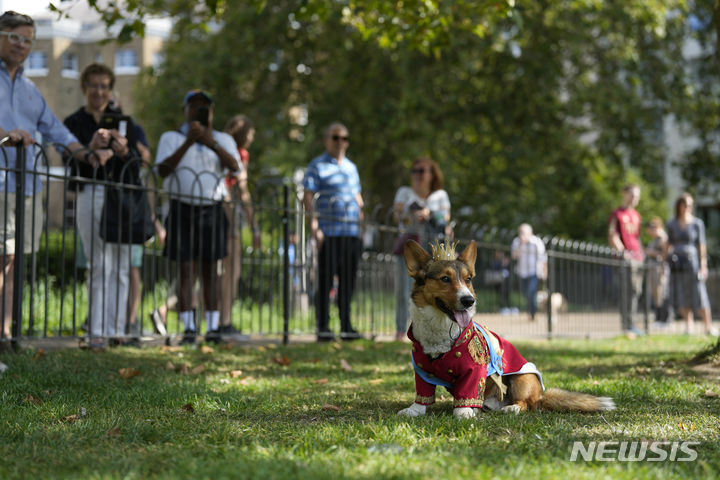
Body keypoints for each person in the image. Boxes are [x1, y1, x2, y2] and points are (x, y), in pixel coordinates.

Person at [0, 11, 112, 344]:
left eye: (28, 40)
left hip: (28, 186)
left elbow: (56, 130)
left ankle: (6, 335)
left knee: (13, 261)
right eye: (15, 37)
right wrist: (7, 134)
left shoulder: (32, 89)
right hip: (1, 183)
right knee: (3, 257)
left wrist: (87, 151)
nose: (22, 45)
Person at [63, 63, 148, 348]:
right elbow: (68, 161)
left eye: (104, 86)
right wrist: (90, 146)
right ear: (84, 87)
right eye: (93, 85)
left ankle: (116, 328)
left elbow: (137, 163)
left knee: (122, 264)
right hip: (91, 193)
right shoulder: (74, 122)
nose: (98, 91)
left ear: (110, 90)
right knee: (99, 262)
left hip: (120, 198)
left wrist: (123, 151)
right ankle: (96, 329)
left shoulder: (123, 121)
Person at [156, 89, 240, 345]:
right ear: (185, 111)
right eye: (193, 107)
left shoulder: (223, 140)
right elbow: (161, 170)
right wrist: (189, 142)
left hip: (212, 208)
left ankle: (213, 327)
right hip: (182, 207)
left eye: (204, 108)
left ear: (212, 112)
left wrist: (210, 142)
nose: (198, 111)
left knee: (211, 270)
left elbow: (235, 167)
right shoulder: (171, 137)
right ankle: (188, 328)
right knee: (185, 269)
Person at [302, 122, 364, 341]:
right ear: (326, 140)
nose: (340, 142)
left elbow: (357, 198)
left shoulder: (351, 168)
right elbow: (308, 198)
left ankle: (346, 326)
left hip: (351, 233)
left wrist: (361, 224)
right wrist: (314, 228)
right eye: (336, 137)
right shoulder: (317, 166)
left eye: (344, 138)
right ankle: (323, 327)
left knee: (348, 282)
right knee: (325, 281)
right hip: (328, 233)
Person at [392, 157, 450, 341]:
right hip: (410, 246)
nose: (417, 175)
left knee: (434, 288)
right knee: (404, 290)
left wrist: (430, 213)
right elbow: (397, 216)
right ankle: (401, 329)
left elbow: (446, 220)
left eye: (422, 171)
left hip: (433, 249)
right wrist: (412, 215)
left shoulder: (440, 195)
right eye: (414, 171)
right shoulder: (405, 192)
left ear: (432, 174)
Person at [214, 114, 259, 343]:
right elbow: (243, 190)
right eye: (251, 133)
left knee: (217, 269)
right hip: (228, 209)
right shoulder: (240, 154)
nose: (252, 137)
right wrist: (254, 225)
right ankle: (225, 322)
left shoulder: (217, 146)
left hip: (214, 207)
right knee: (231, 270)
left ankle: (220, 319)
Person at [665, 193, 716, 335]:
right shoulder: (671, 224)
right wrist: (664, 261)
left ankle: (708, 326)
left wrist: (703, 265)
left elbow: (702, 245)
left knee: (699, 293)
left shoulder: (697, 223)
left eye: (690, 205)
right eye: (685, 204)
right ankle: (689, 326)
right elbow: (668, 244)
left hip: (692, 262)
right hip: (677, 264)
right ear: (679, 206)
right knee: (682, 293)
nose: (688, 207)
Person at [608, 184, 645, 335]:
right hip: (626, 259)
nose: (634, 198)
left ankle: (632, 323)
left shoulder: (637, 215)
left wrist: (641, 253)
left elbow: (637, 237)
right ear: (624, 194)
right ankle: (627, 325)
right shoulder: (617, 214)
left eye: (637, 195)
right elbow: (612, 235)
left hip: (638, 258)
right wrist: (622, 252)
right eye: (632, 194)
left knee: (637, 291)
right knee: (627, 292)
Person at [510, 224, 547, 321]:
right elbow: (514, 256)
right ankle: (531, 310)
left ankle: (532, 313)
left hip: (534, 271)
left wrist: (544, 271)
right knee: (525, 293)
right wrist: (520, 245)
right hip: (522, 272)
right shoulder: (516, 242)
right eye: (521, 232)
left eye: (524, 233)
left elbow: (543, 258)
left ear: (530, 233)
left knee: (531, 292)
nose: (522, 235)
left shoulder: (537, 242)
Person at [645, 216, 669, 327]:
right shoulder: (656, 239)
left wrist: (651, 252)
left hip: (660, 268)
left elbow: (665, 255)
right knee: (656, 294)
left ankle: (663, 319)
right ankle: (658, 318)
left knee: (662, 293)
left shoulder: (663, 238)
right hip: (654, 268)